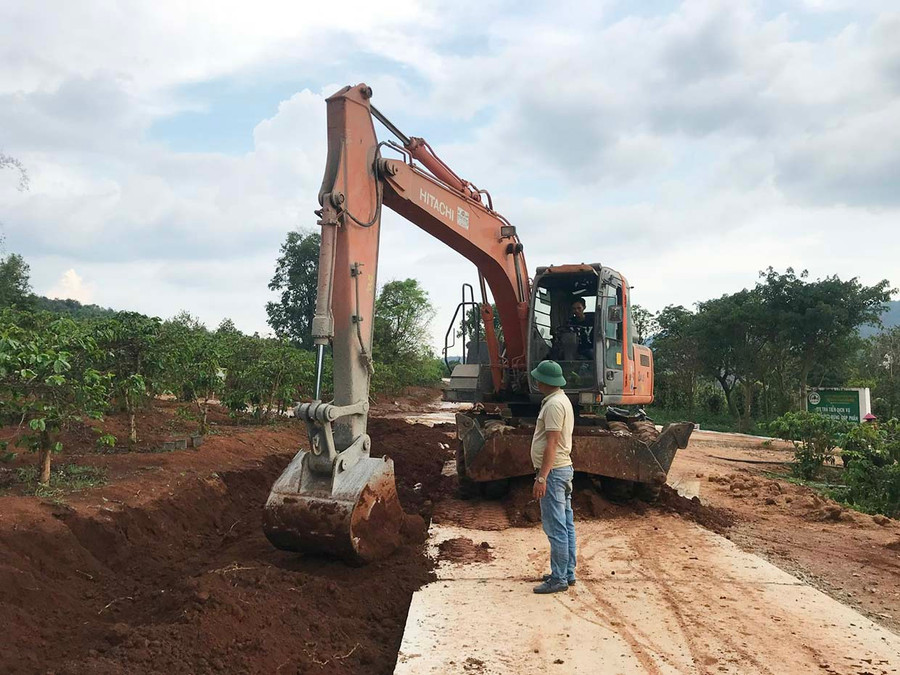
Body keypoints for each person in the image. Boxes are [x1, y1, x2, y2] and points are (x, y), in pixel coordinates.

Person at [530, 360, 577, 594]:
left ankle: (559, 578)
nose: (536, 381)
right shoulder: (561, 400)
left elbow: (552, 443)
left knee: (556, 527)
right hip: (562, 470)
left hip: (555, 473)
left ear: (544, 381)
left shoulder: (553, 406)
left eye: (538, 378)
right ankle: (567, 573)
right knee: (566, 524)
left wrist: (542, 477)